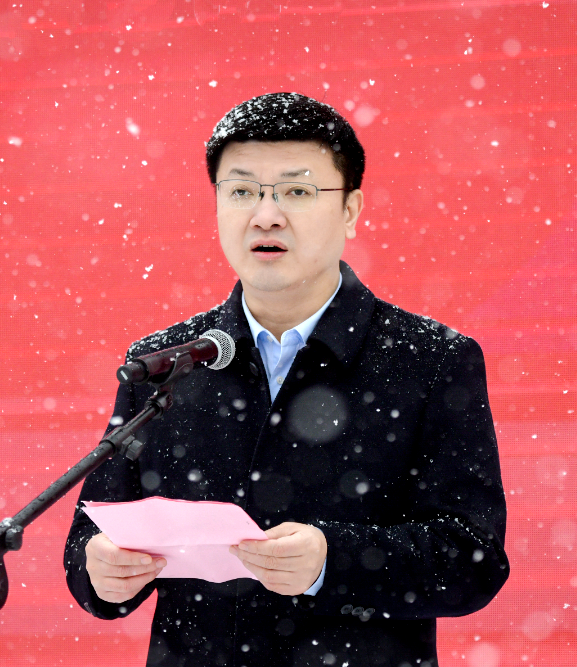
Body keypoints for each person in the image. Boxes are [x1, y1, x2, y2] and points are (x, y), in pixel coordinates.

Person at [65, 92, 509, 667]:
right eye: (241, 191)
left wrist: (332, 560)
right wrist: (100, 570)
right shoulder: (166, 364)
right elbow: (92, 534)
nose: (266, 215)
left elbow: (472, 559)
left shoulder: (429, 360)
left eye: (297, 192)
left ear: (350, 209)